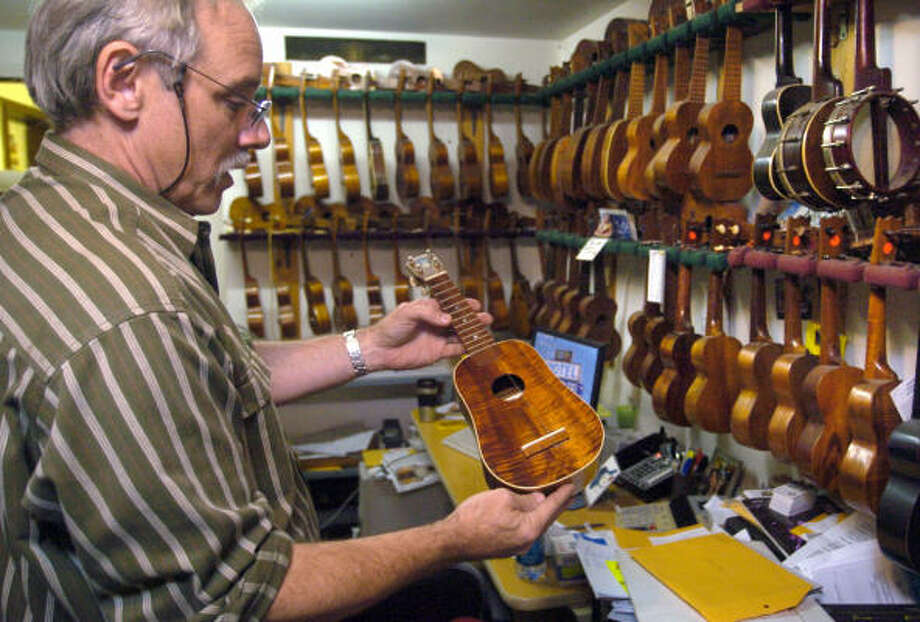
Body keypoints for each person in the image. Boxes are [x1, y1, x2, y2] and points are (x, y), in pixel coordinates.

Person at [0, 0, 574, 619]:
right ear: (123, 81)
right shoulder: (131, 311)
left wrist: (372, 348)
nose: (259, 133)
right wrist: (452, 539)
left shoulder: (47, 218)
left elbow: (210, 374)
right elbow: (232, 598)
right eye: (235, 100)